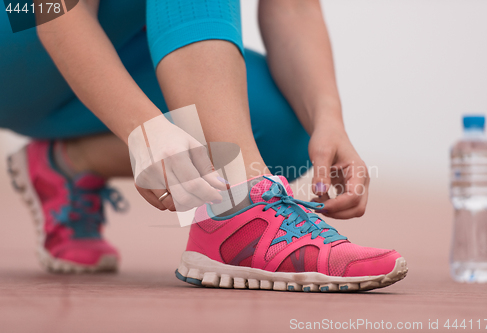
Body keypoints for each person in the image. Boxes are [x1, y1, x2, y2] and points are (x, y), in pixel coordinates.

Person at [1, 0, 407, 290]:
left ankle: (65, 165)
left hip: (111, 43)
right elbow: (51, 9)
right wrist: (142, 127)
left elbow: (294, 6)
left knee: (285, 127)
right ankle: (239, 208)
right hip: (24, 24)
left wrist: (328, 119)